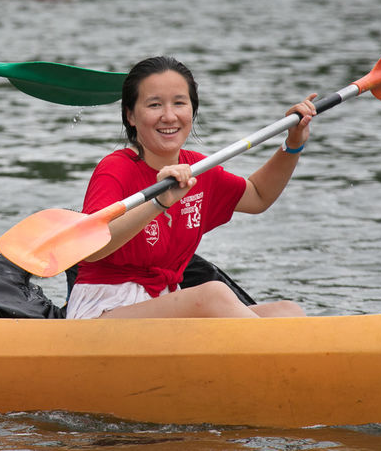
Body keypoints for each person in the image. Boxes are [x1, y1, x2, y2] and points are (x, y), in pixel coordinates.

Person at [65, 56, 313, 320]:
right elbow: (91, 250)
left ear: (192, 111)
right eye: (154, 104)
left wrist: (293, 144)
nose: (169, 116)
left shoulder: (198, 169)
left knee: (287, 311)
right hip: (103, 309)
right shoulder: (115, 168)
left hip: (162, 300)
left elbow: (259, 196)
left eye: (179, 103)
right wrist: (158, 203)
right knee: (212, 295)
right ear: (131, 115)